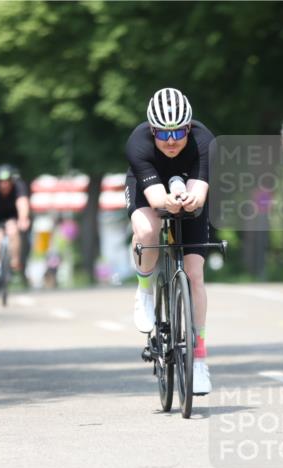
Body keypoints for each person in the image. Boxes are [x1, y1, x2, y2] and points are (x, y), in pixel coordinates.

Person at [126, 87, 214, 395]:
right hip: (149, 188)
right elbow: (156, 200)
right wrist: (169, 202)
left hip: (187, 187)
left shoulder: (205, 141)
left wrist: (190, 200)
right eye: (163, 134)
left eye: (178, 132)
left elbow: (199, 194)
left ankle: (199, 359)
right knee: (147, 232)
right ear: (152, 131)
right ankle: (144, 289)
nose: (172, 140)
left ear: (189, 127)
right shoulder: (138, 143)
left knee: (195, 275)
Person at [0, 165, 31, 287]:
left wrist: (23, 218)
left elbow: (22, 203)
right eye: (1, 182)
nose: (4, 185)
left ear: (12, 181)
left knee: (13, 231)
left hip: (12, 217)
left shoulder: (19, 186)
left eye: (7, 182)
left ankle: (15, 263)